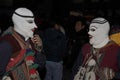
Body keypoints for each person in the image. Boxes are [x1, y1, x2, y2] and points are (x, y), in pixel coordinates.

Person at [0, 7, 45, 80]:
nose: (35, 26)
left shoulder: (31, 41)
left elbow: (41, 65)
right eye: (30, 22)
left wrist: (39, 48)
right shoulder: (7, 42)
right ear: (19, 23)